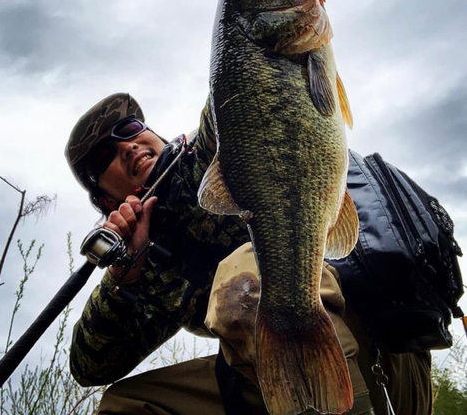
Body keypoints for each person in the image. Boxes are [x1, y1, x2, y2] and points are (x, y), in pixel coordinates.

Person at [65, 92, 432, 415]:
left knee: (244, 275)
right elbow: (89, 367)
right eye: (104, 155)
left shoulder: (216, 148)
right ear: (105, 200)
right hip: (283, 386)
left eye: (128, 129)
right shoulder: (146, 265)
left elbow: (241, 86)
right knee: (125, 406)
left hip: (384, 358)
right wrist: (124, 275)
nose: (126, 146)